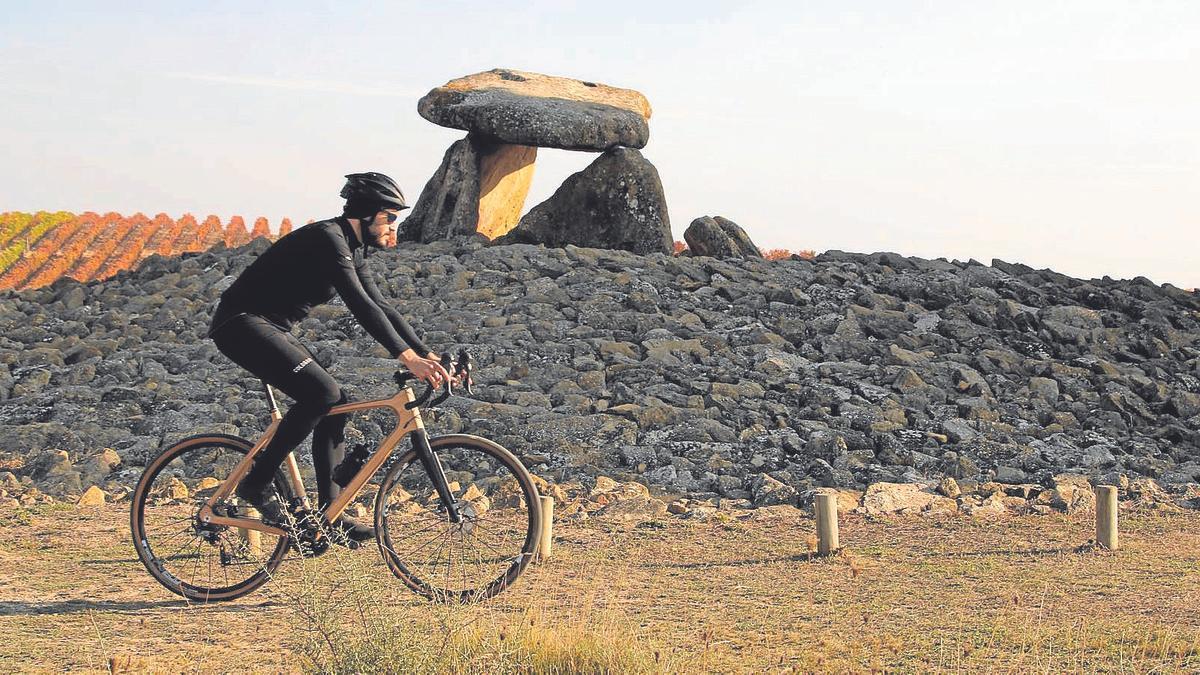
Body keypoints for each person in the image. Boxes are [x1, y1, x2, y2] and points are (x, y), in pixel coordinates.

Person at [206, 172, 451, 544]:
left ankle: (329, 516)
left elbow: (380, 305)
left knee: (339, 402)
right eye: (390, 217)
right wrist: (406, 358)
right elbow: (358, 306)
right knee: (320, 393)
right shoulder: (328, 238)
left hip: (272, 327)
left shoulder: (353, 249)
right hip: (241, 324)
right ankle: (256, 483)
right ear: (366, 215)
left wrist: (427, 355)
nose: (393, 227)